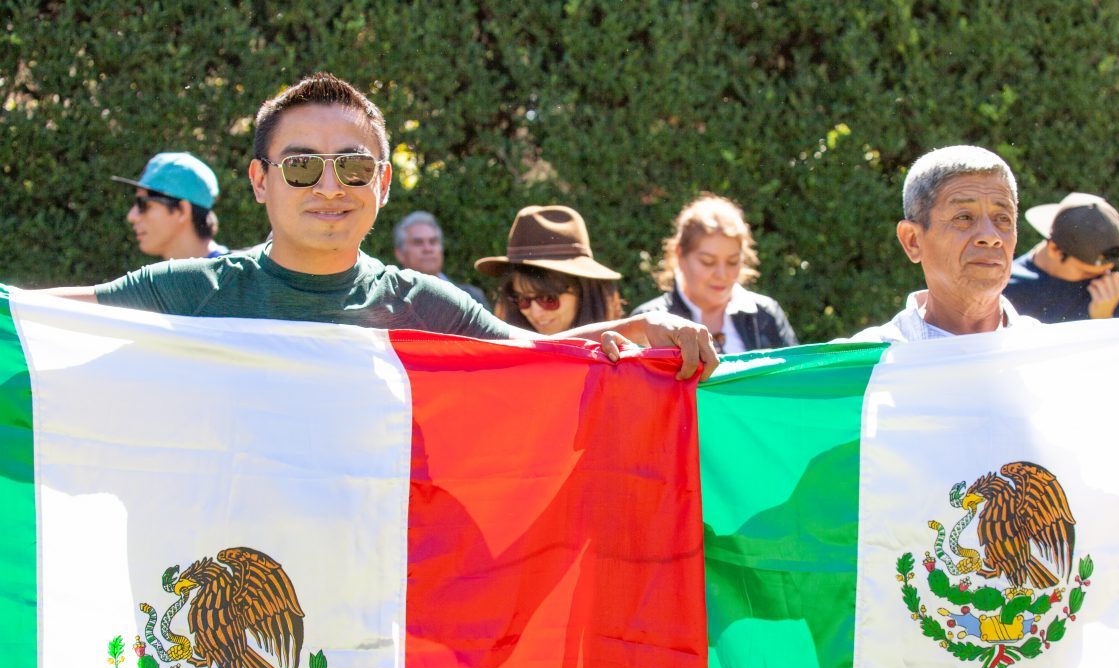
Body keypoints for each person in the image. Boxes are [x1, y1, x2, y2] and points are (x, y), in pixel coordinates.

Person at [38, 73, 715, 380]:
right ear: (259, 180)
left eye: (354, 168)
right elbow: (36, 327)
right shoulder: (188, 291)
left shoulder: (423, 304)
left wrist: (643, 330)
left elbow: (541, 365)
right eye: (301, 166)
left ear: (383, 183)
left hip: (375, 621)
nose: (330, 187)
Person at [835, 145, 1080, 668]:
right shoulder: (864, 375)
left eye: (1003, 217)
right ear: (912, 239)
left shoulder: (1062, 371)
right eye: (964, 215)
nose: (990, 234)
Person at [631, 194, 798, 353]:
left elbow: (795, 379)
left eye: (732, 261)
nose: (722, 274)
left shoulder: (766, 314)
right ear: (680, 255)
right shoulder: (650, 320)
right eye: (707, 262)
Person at [475, 205, 623, 335]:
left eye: (547, 299)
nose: (535, 313)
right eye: (521, 300)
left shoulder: (622, 359)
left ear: (585, 292)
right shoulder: (504, 359)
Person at [1002, 192, 1119, 322]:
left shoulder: (1108, 295)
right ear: (1054, 250)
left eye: (1108, 270)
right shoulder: (1004, 288)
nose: (1103, 279)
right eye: (1087, 272)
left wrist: (1105, 319)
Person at [112, 152, 229, 260]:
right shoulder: (168, 280)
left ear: (183, 210)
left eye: (144, 204)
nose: (131, 216)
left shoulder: (237, 278)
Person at [393, 210, 491, 311]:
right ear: (400, 253)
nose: (428, 249)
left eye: (433, 241)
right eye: (418, 242)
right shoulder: (389, 302)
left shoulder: (471, 297)